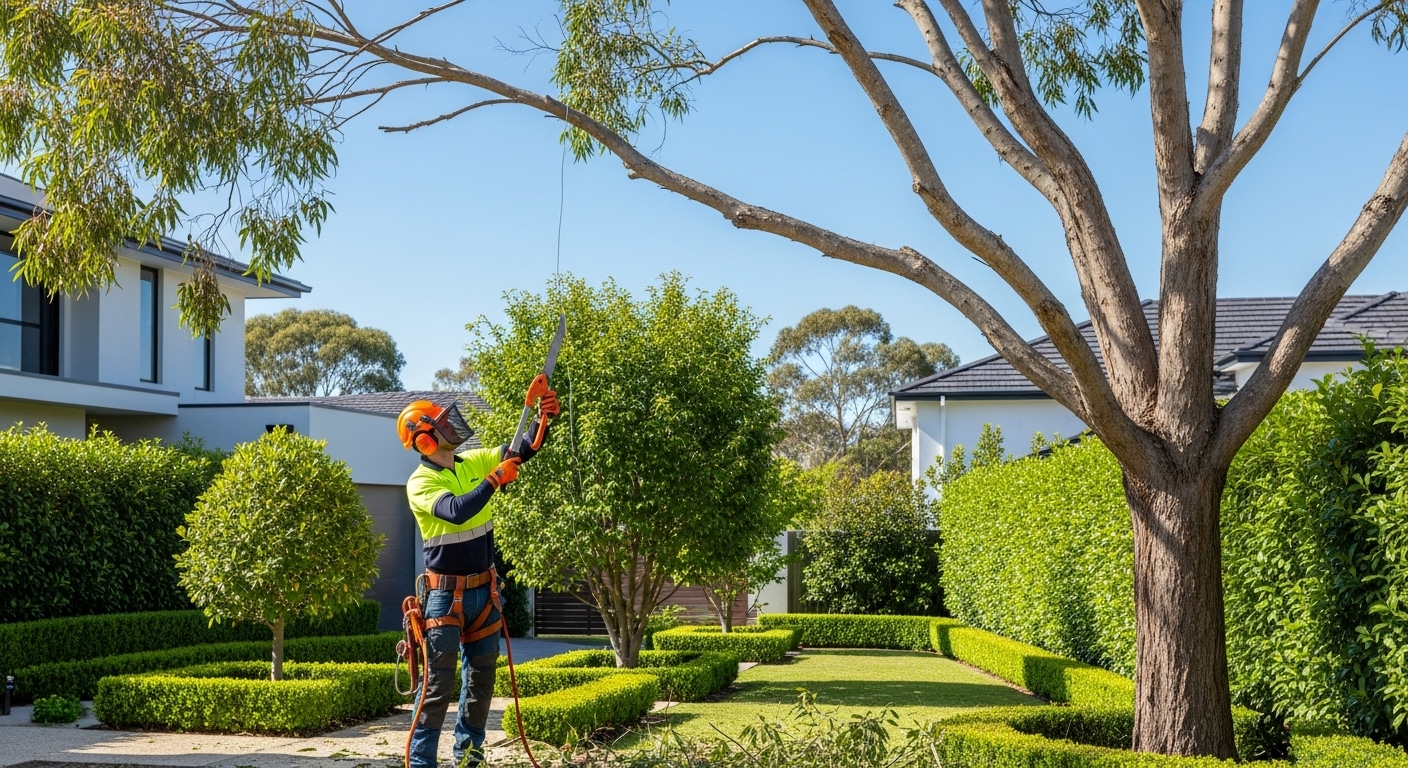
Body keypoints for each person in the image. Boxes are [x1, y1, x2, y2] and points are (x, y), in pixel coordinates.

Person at [396, 379, 558, 768]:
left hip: (484, 592)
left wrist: (542, 419)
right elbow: (456, 511)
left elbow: (518, 451)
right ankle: (421, 763)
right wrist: (494, 480)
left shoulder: (474, 461)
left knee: (481, 682)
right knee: (438, 686)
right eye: (441, 426)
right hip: (444, 597)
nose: (451, 428)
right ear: (425, 442)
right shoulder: (421, 482)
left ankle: (469, 758)